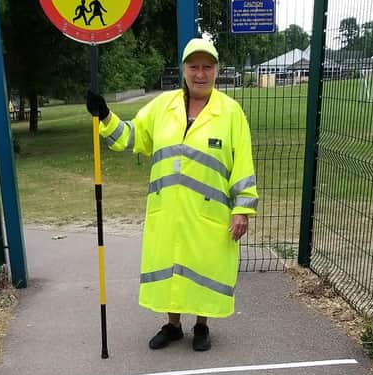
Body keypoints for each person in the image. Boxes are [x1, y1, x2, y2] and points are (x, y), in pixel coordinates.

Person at [86, 38, 258, 351]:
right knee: (171, 267)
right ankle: (173, 325)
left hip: (209, 213)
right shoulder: (162, 106)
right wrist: (106, 117)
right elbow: (133, 137)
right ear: (184, 69)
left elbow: (243, 163)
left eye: (207, 67)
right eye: (194, 66)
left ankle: (202, 326)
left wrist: (242, 209)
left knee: (205, 266)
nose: (200, 73)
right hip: (167, 210)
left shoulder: (231, 112)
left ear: (216, 70)